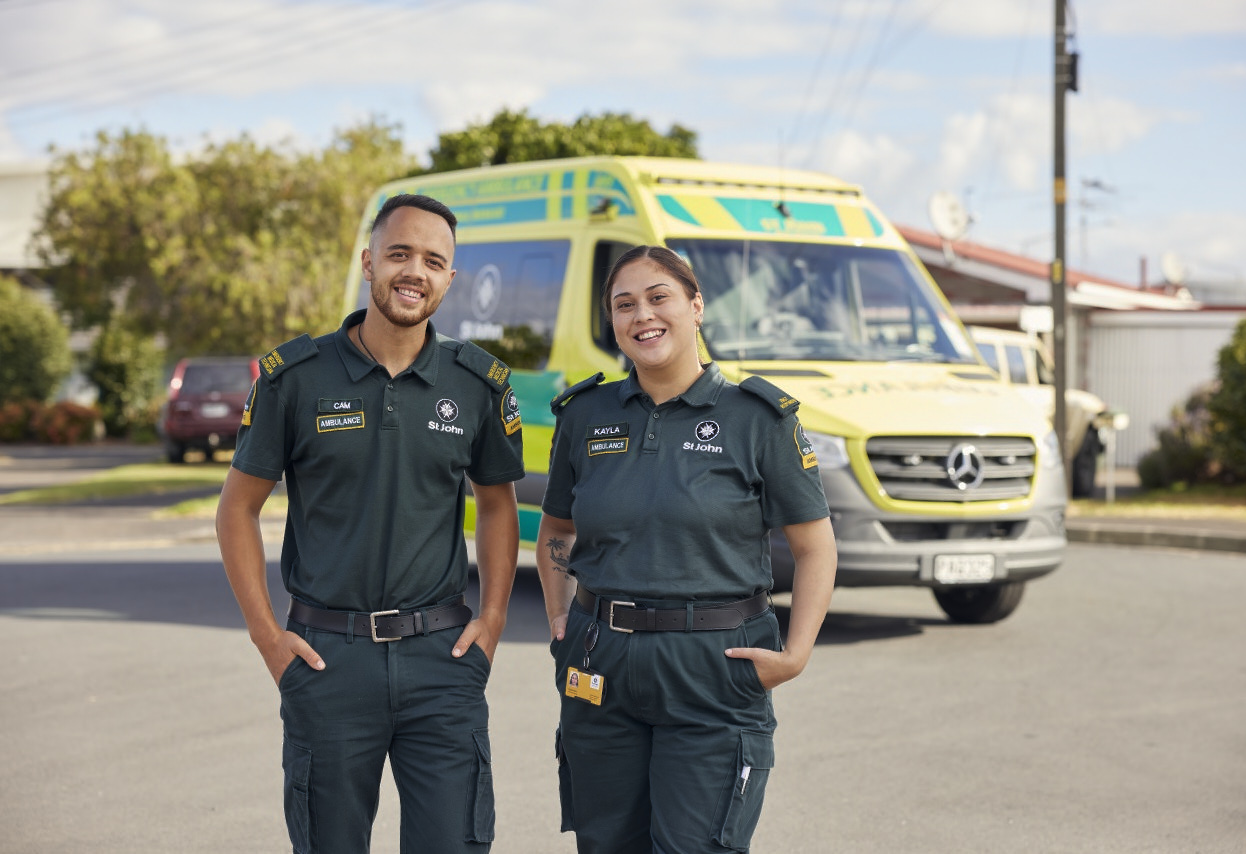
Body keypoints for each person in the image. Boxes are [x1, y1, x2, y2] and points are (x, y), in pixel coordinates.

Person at [216, 193, 523, 854]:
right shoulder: (294, 378)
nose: (415, 271)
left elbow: (497, 502)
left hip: (442, 659)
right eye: (400, 254)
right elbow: (236, 508)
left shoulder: (477, 386)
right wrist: (268, 637)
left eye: (433, 261)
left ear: (450, 279)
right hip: (328, 658)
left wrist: (493, 617)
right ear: (369, 262)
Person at [535, 245, 837, 853]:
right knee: (606, 844)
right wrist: (560, 618)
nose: (642, 315)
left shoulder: (758, 418)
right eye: (624, 305)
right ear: (613, 323)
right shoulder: (586, 414)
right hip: (601, 660)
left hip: (713, 664)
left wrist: (797, 652)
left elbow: (815, 547)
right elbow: (557, 531)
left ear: (695, 306)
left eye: (658, 297)